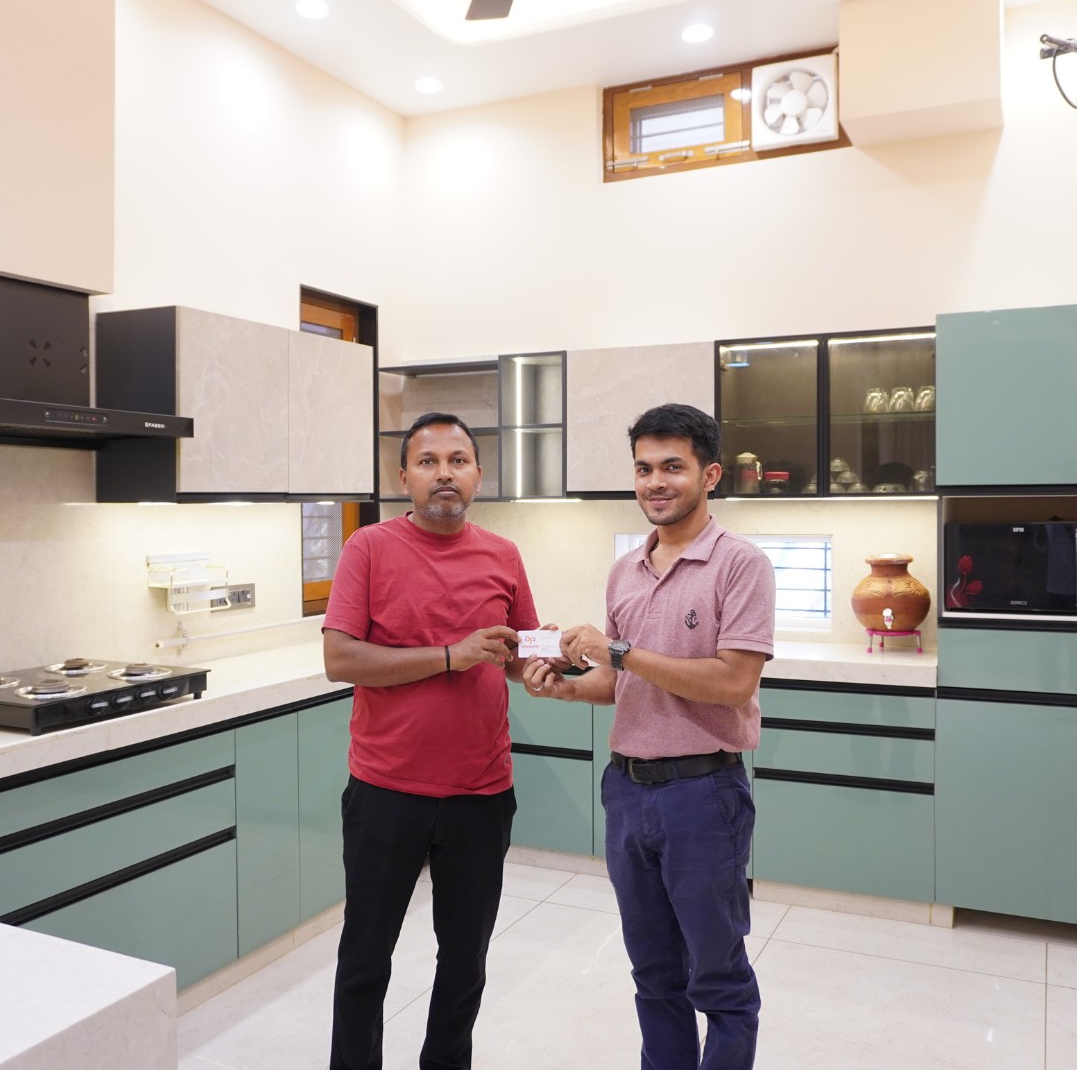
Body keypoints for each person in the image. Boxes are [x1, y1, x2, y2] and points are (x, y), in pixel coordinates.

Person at [523, 402, 775, 1070]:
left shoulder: (741, 564)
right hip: (628, 792)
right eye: (643, 469)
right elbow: (624, 682)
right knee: (654, 975)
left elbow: (733, 682)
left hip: (704, 796)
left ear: (709, 475)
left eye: (672, 467)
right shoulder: (625, 571)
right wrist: (567, 685)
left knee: (717, 979)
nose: (655, 482)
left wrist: (617, 650)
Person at [322, 410, 543, 1070]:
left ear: (477, 474)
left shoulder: (503, 555)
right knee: (365, 959)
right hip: (385, 791)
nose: (444, 473)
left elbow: (515, 655)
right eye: (428, 461)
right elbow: (340, 659)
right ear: (404, 478)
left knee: (465, 961)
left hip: (481, 792)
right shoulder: (368, 548)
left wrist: (553, 656)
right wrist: (450, 655)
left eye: (457, 461)